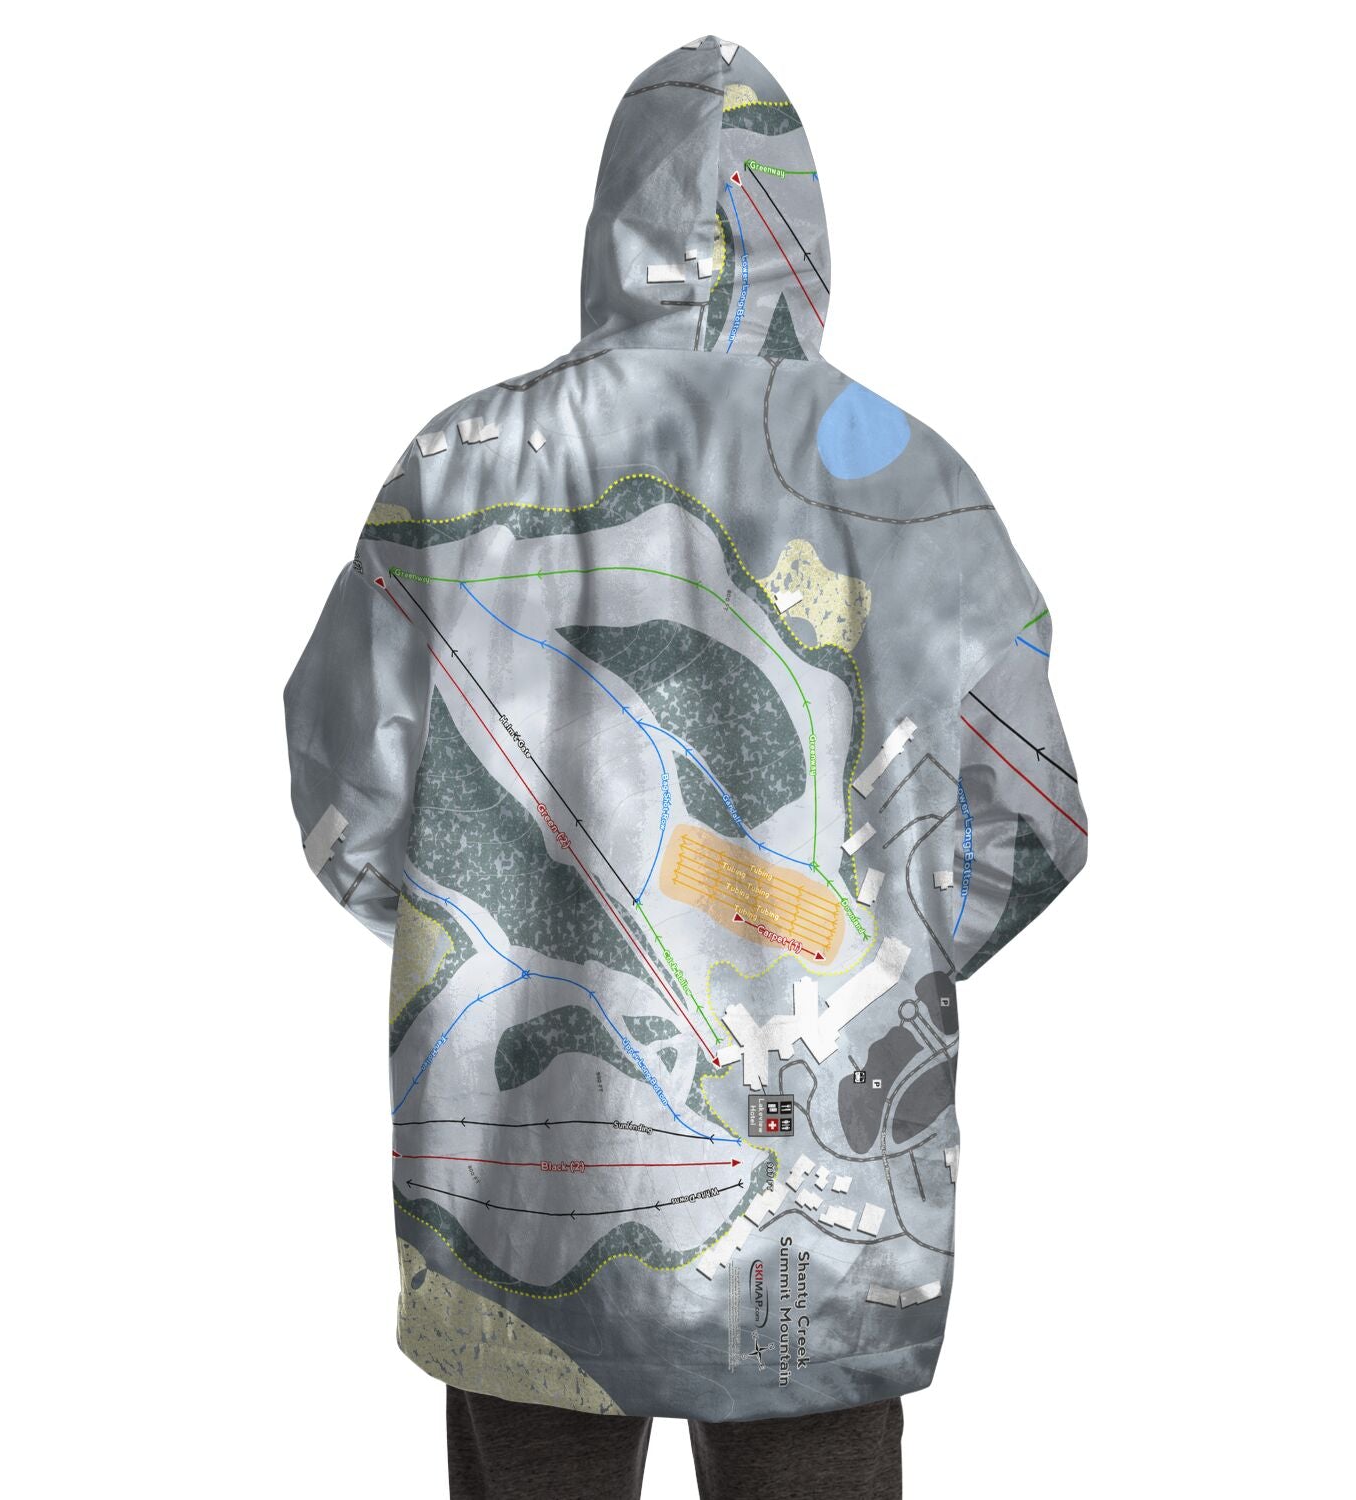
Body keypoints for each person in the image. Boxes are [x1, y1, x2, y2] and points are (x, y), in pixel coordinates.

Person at [284, 33, 1088, 1499]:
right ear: (805, 231)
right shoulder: (911, 477)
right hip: (820, 1210)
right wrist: (881, 957)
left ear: (610, 224)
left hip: (518, 1180)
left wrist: (491, 932)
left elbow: (348, 796)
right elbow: (1029, 821)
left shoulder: (457, 462)